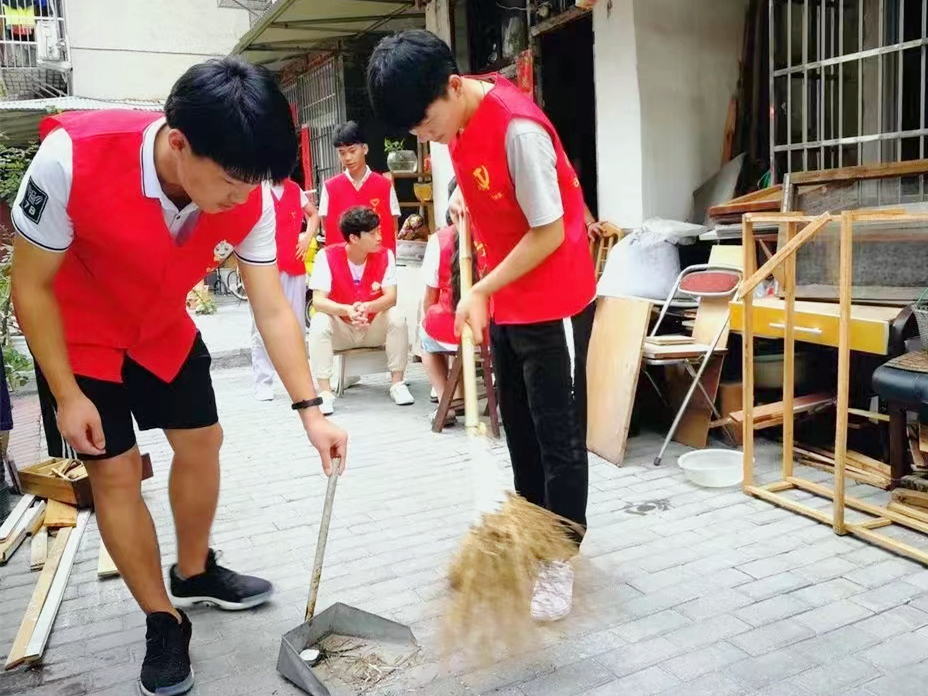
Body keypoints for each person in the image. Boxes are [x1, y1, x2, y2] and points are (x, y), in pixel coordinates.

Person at [11, 57, 347, 696]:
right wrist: (64, 393)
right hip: (81, 338)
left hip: (162, 326)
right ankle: (163, 620)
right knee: (115, 472)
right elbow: (30, 286)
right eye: (229, 183)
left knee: (203, 441)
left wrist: (311, 410)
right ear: (177, 143)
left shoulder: (250, 193)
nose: (241, 201)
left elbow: (272, 305)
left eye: (253, 187)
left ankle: (193, 572)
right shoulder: (70, 159)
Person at [368, 29, 597, 622]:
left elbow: (547, 231)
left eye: (426, 125)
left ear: (451, 86)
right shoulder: (457, 119)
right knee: (516, 424)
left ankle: (559, 560)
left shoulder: (518, 129)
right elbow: (488, 194)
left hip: (552, 297)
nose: (426, 138)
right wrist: (466, 208)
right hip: (505, 295)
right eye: (415, 133)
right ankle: (529, 535)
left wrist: (479, 289)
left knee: (559, 439)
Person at [308, 206, 414, 414]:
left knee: (397, 316)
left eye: (379, 231)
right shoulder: (326, 256)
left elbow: (391, 297)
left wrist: (367, 307)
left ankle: (397, 383)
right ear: (354, 238)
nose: (379, 237)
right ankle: (325, 392)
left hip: (373, 327)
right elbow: (318, 301)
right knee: (319, 321)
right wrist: (347, 310)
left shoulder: (385, 256)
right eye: (373, 233)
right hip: (343, 329)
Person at [251, 176, 321, 400]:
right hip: (264, 266)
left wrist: (307, 237)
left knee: (297, 324)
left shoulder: (294, 189)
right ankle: (263, 380)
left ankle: (301, 379)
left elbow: (314, 214)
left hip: (293, 263)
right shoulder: (257, 188)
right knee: (261, 325)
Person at [419, 176, 476, 427]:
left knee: (424, 337)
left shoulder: (439, 239)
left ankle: (445, 400)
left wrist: (427, 316)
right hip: (489, 324)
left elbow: (429, 295)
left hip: (449, 327)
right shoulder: (489, 235)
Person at [319, 121, 401, 255]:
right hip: (343, 265)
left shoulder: (384, 185)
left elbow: (393, 225)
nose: (347, 158)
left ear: (365, 149)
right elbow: (326, 228)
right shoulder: (330, 187)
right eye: (342, 153)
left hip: (378, 263)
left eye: (352, 151)